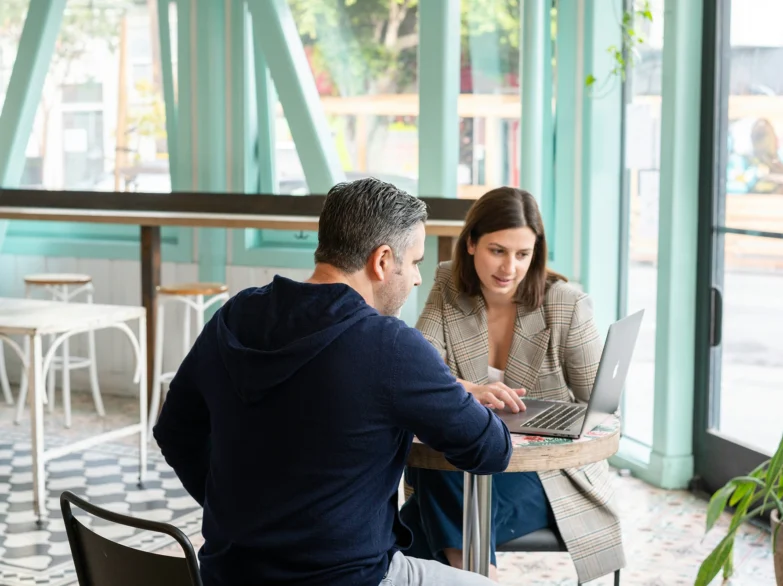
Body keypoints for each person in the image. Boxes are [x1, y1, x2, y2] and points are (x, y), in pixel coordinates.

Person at [153, 178, 512, 586]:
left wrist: (237, 516)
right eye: (414, 262)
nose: (416, 279)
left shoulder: (233, 316)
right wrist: (449, 389)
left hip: (229, 575)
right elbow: (491, 450)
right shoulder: (389, 346)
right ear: (381, 261)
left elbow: (174, 430)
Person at [400, 187, 625, 584]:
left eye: (524, 254)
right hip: (467, 464)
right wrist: (467, 389)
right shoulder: (448, 285)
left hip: (546, 475)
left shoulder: (566, 304)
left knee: (408, 525)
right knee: (447, 472)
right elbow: (420, 372)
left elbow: (601, 408)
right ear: (471, 243)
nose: (510, 268)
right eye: (498, 250)